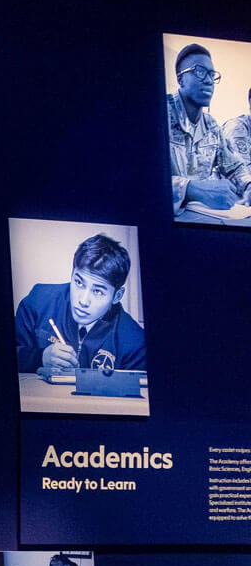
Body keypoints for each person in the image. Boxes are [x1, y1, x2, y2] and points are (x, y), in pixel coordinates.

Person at [13, 234, 146, 374]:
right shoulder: (38, 301)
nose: (83, 301)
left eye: (98, 291)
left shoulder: (135, 343)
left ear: (117, 296)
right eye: (79, 283)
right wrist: (39, 357)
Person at [166, 43, 251, 213]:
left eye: (212, 74)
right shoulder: (158, 114)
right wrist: (191, 189)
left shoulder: (211, 126)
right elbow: (141, 178)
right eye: (199, 71)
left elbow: (234, 167)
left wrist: (248, 185)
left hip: (199, 217)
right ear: (180, 79)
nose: (208, 80)